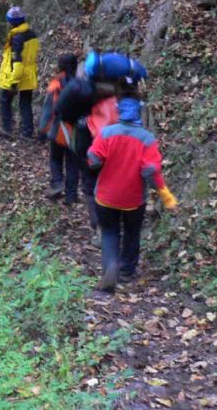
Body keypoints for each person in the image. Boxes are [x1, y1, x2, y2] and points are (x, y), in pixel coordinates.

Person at [56, 51, 149, 245]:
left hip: (87, 145)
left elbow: (63, 113)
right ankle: (119, 224)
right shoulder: (119, 87)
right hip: (119, 146)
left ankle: (101, 229)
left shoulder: (80, 92)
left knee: (91, 187)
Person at [87, 96, 178, 292]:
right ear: (138, 114)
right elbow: (151, 171)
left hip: (105, 196)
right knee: (132, 232)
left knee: (110, 232)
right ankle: (126, 270)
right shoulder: (147, 139)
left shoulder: (107, 133)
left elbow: (93, 158)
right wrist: (167, 197)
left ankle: (110, 266)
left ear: (120, 113)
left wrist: (96, 163)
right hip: (133, 200)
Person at [38, 53, 80, 203]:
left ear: (60, 66)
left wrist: (42, 129)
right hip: (76, 132)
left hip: (58, 129)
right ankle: (71, 196)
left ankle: (57, 183)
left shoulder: (56, 83)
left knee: (55, 158)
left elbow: (48, 108)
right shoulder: (81, 83)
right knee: (73, 164)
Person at [0, 6, 39, 138]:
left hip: (17, 75)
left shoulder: (17, 39)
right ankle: (27, 132)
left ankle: (6, 129)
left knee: (5, 101)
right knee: (25, 103)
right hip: (29, 74)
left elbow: (18, 63)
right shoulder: (32, 34)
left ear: (13, 22)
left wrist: (13, 83)